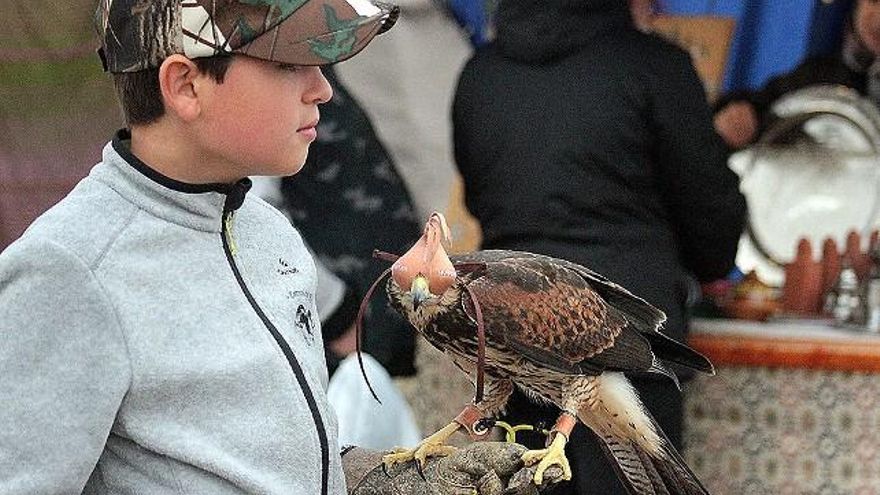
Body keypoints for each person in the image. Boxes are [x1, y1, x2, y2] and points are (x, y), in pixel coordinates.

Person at [0, 1, 560, 493]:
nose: (323, 88)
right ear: (185, 86)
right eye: (290, 63)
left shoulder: (271, 235)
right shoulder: (71, 272)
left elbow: (266, 461)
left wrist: (383, 480)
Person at [452, 0, 747, 493]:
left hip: (514, 341)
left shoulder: (480, 74)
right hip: (623, 340)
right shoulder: (653, 66)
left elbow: (483, 199)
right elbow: (709, 212)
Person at [714, 0, 880, 150]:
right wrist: (739, 119)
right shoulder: (820, 73)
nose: (878, 18)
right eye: (873, 1)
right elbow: (765, 106)